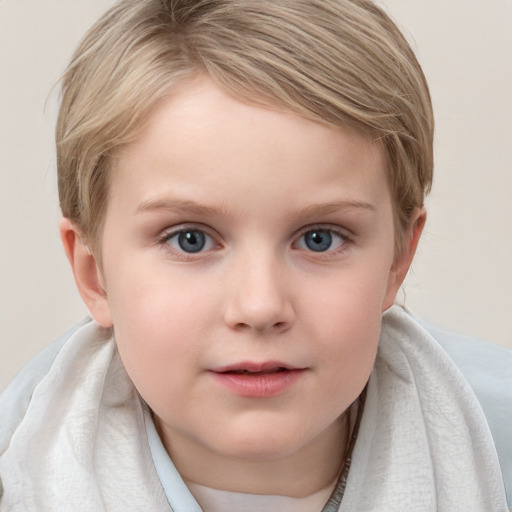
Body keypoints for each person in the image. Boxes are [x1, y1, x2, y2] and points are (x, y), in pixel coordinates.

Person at [0, 0, 510, 510]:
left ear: (397, 260)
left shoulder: (495, 443)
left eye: (320, 238)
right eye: (190, 239)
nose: (260, 306)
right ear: (94, 275)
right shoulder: (18, 475)